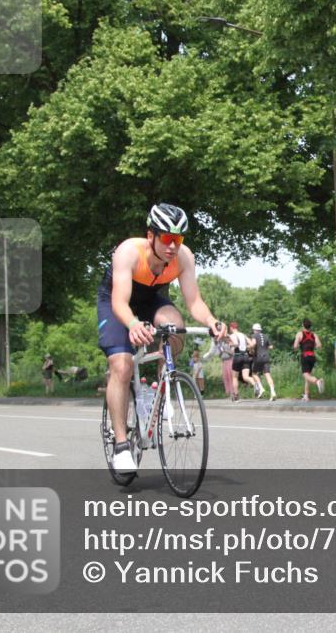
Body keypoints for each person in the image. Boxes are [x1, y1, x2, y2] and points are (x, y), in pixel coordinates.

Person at [97, 203, 225, 475]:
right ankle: (121, 446)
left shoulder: (184, 257)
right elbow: (120, 301)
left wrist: (212, 321)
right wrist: (132, 324)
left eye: (178, 239)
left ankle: (161, 384)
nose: (172, 246)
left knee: (175, 327)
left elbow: (194, 301)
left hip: (152, 299)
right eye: (166, 238)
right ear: (151, 235)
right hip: (117, 302)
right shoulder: (129, 252)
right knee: (122, 365)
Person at [292, 318, 324, 401]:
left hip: (305, 356)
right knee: (308, 375)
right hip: (312, 357)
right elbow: (319, 346)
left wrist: (297, 346)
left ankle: (317, 381)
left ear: (303, 325)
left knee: (305, 375)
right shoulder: (314, 335)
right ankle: (306, 395)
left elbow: (295, 346)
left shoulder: (299, 334)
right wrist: (313, 345)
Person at [228, 322, 255, 401]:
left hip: (238, 356)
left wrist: (231, 345)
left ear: (231, 328)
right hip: (246, 356)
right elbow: (252, 344)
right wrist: (246, 347)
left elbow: (236, 344)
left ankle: (236, 396)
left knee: (234, 377)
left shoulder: (232, 335)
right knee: (246, 377)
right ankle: (256, 385)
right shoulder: (243, 335)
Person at [251, 323, 277, 401]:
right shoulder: (266, 336)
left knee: (254, 373)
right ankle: (273, 392)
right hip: (266, 357)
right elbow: (271, 347)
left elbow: (253, 344)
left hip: (258, 357)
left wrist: (249, 347)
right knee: (267, 374)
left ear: (255, 330)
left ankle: (261, 388)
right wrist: (264, 347)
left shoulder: (254, 336)